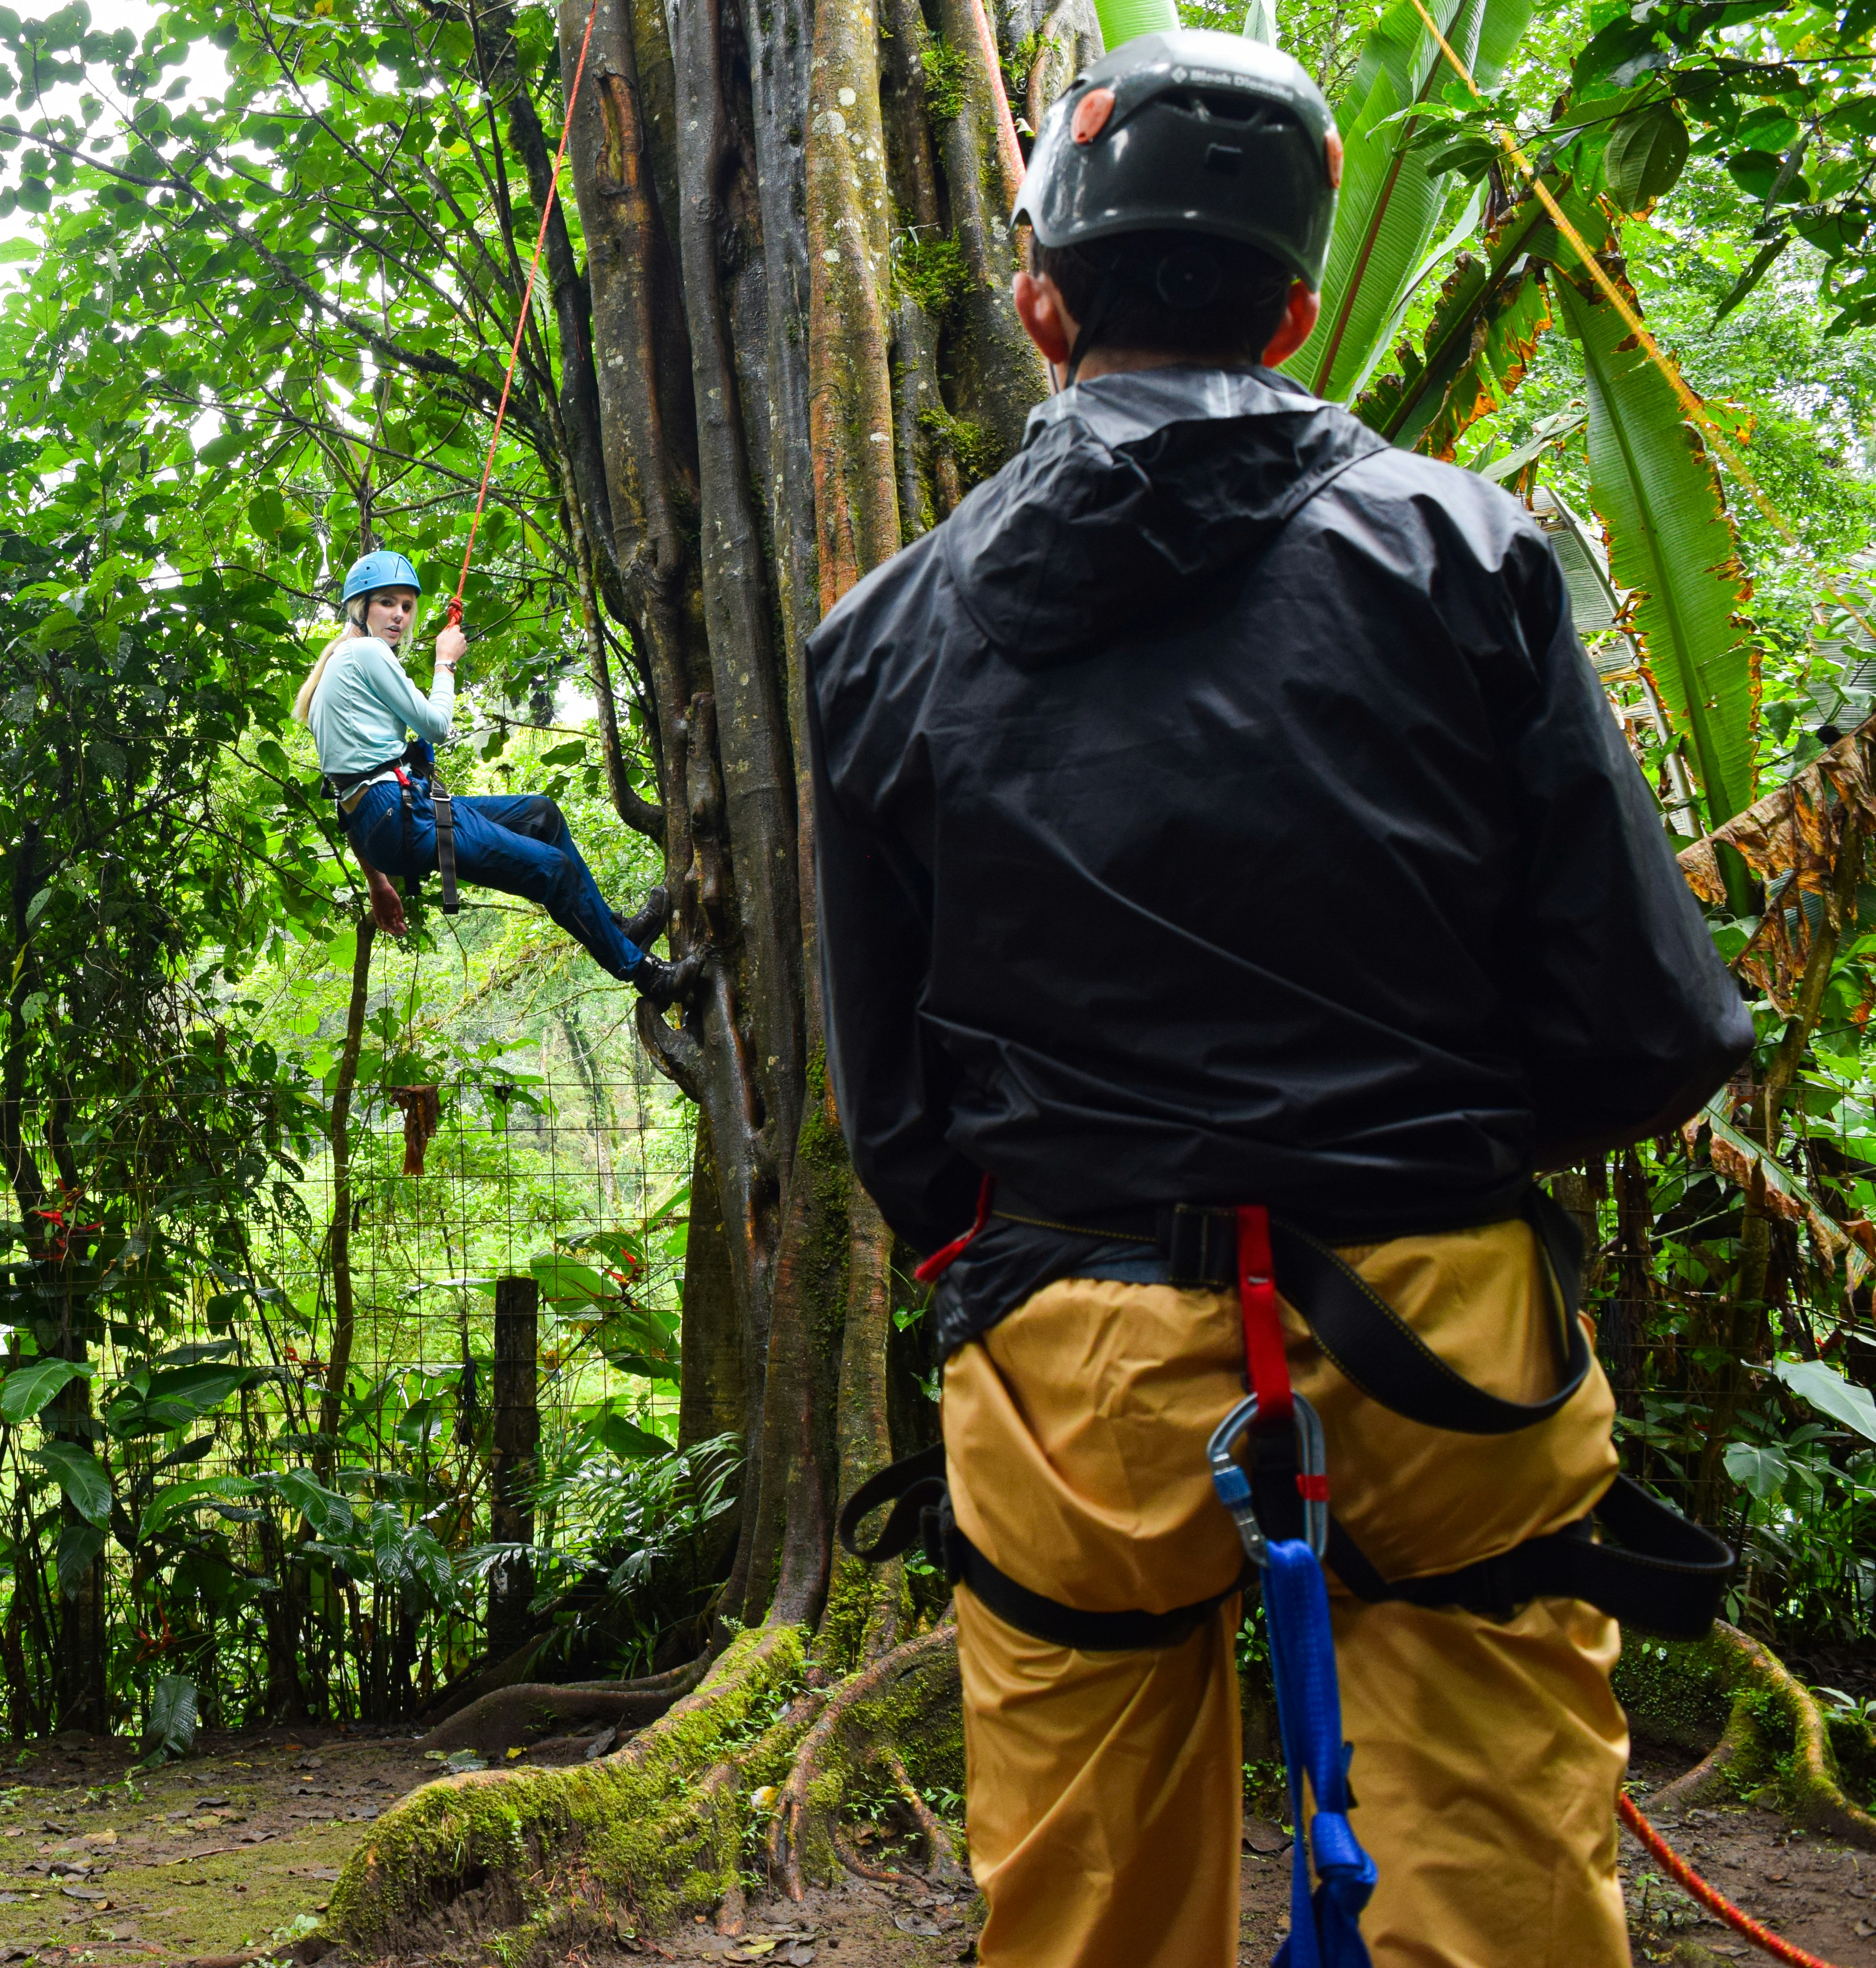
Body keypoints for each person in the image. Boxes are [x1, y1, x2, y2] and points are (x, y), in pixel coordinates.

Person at [803, 29, 1751, 1968]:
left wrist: (1040, 1235)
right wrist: (1432, 1153)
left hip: (1068, 1346)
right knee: (1499, 1882)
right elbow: (1660, 1023)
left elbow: (893, 1112)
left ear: (1044, 299)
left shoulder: (882, 635)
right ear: (1302, 306)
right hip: (1441, 1317)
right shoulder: (1463, 557)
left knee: (1082, 1906)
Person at [296, 549, 697, 1003]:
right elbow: (436, 726)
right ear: (360, 606)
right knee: (552, 871)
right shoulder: (365, 652)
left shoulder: (336, 670)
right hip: (401, 813)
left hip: (389, 818)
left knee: (540, 816)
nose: (400, 616)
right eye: (387, 603)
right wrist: (445, 663)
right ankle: (647, 975)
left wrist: (378, 882)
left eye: (407, 606)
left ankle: (616, 928)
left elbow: (346, 801)